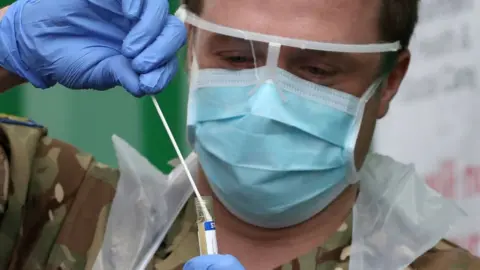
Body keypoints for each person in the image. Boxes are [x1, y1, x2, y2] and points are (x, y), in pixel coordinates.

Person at [0, 0, 479, 270]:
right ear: (190, 47)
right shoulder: (57, 210)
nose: (265, 102)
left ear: (389, 82)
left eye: (315, 69)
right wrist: (5, 47)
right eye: (235, 58)